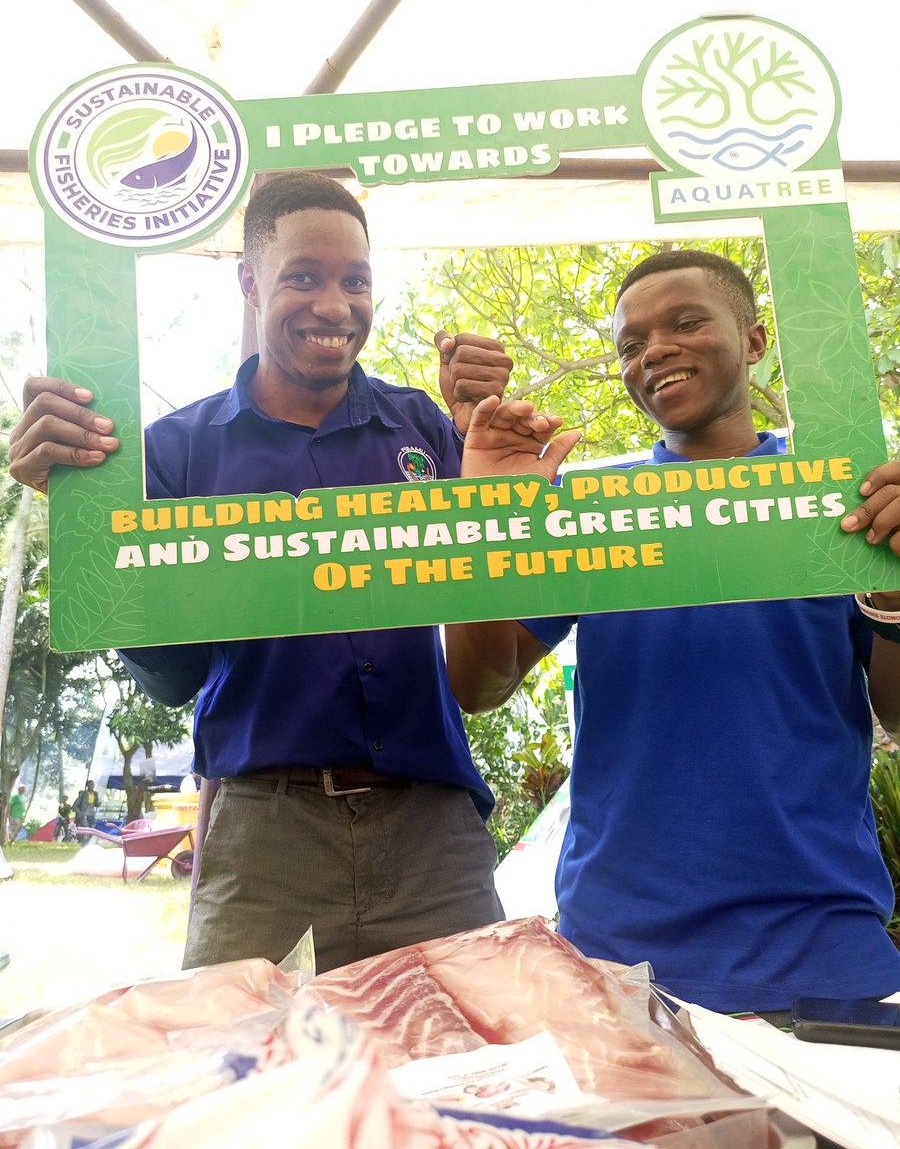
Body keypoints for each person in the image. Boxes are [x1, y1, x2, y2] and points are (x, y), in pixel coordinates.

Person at [7, 171, 526, 974]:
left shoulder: (426, 426)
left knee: (468, 1077)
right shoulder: (174, 453)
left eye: (355, 280)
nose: (334, 305)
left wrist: (491, 453)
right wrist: (90, 533)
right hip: (265, 843)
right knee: (245, 1079)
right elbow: (174, 674)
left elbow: (488, 649)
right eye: (304, 277)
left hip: (435, 837)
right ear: (250, 283)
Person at [447, 249, 900, 1014]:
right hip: (622, 958)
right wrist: (485, 525)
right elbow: (478, 686)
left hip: (825, 948)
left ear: (754, 342)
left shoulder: (839, 499)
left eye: (687, 322)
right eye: (630, 344)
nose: (654, 350)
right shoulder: (591, 510)